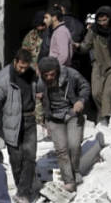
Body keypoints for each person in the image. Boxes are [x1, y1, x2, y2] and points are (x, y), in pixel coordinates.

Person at [0, 49, 38, 203]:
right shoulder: (5, 76)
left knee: (30, 156)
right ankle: (23, 186)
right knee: (16, 158)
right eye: (20, 67)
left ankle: (23, 193)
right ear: (15, 62)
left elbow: (40, 88)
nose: (22, 71)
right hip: (11, 122)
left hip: (29, 119)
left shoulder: (32, 73)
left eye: (25, 68)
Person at [36, 56, 90, 192]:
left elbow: (85, 86)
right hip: (53, 117)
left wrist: (81, 101)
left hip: (72, 113)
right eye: (46, 75)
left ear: (58, 71)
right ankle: (69, 181)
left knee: (74, 145)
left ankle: (75, 170)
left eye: (52, 74)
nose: (49, 78)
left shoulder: (71, 74)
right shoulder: (39, 82)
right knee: (61, 150)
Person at [77, 6, 111, 122]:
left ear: (110, 18)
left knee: (108, 94)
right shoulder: (94, 30)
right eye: (99, 21)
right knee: (96, 93)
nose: (102, 24)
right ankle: (106, 115)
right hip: (99, 66)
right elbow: (85, 46)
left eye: (104, 20)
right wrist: (77, 46)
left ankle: (107, 119)